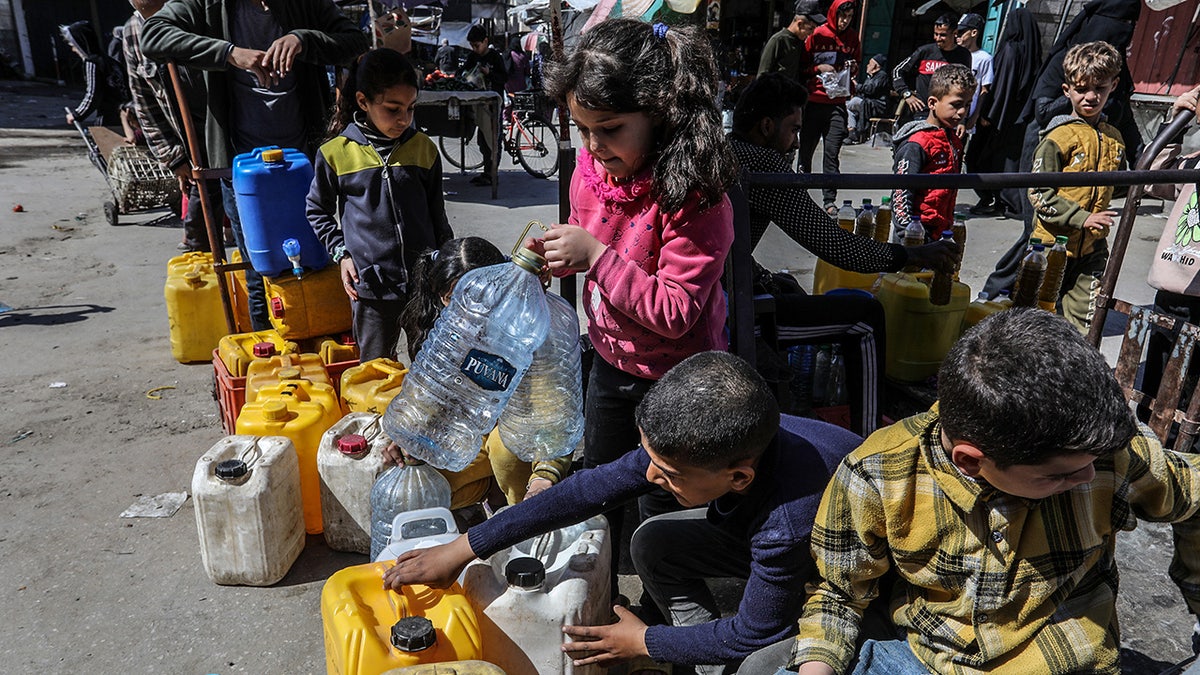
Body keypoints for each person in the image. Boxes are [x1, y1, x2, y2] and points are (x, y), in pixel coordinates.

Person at [381, 351, 863, 674]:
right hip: (771, 541)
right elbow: (583, 492)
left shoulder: (787, 520)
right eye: (647, 458)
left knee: (759, 661)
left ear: (739, 478)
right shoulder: (701, 443)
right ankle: (700, 655)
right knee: (653, 542)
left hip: (846, 580)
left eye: (668, 472)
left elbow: (758, 629)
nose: (651, 478)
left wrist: (642, 642)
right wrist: (464, 547)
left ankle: (709, 658)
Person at [779, 308, 1200, 674]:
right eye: (1059, 476)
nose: (1089, 477)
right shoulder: (877, 474)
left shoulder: (1113, 455)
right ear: (970, 461)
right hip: (925, 661)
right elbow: (837, 594)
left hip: (1065, 662)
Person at [529, 18, 739, 604]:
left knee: (659, 505)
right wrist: (560, 255)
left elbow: (675, 310)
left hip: (679, 381)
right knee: (601, 486)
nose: (593, 147)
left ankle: (662, 618)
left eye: (611, 129)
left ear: (661, 113)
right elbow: (588, 240)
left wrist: (594, 255)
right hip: (610, 363)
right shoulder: (591, 173)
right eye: (581, 129)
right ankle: (601, 597)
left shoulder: (696, 196)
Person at [728, 72, 957, 435]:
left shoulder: (729, 150)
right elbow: (838, 247)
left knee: (786, 285)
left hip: (726, 293)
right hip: (727, 310)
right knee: (864, 317)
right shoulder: (760, 163)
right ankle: (868, 438)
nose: (796, 142)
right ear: (767, 126)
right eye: (793, 129)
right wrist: (915, 255)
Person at [141, 0, 368, 331]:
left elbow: (355, 40)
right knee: (259, 269)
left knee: (318, 260)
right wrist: (228, 53)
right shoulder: (205, 5)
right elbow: (153, 35)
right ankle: (267, 360)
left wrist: (304, 40)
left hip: (303, 162)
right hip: (241, 165)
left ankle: (316, 347)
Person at [389, 236, 575, 509]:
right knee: (419, 488)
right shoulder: (444, 331)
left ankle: (517, 515)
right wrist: (409, 437)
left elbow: (552, 416)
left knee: (506, 451)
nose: (476, 308)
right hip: (467, 441)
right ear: (443, 299)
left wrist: (544, 477)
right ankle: (485, 493)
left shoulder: (530, 330)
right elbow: (429, 395)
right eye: (460, 298)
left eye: (484, 296)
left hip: (515, 445)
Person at [981, 0, 1141, 299]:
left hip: (1093, 156)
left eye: (1129, 29)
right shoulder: (1068, 60)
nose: (1122, 33)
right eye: (1117, 25)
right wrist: (1080, 98)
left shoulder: (1112, 70)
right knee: (1039, 232)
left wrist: (1143, 155)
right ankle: (996, 293)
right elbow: (1041, 110)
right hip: (1047, 150)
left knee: (1078, 241)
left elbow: (1128, 121)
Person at [306, 49, 452, 363]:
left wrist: (448, 268)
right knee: (375, 372)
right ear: (363, 101)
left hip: (423, 284)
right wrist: (341, 254)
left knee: (433, 367)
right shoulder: (335, 153)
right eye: (393, 108)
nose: (404, 119)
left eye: (411, 108)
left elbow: (438, 215)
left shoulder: (424, 149)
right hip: (370, 287)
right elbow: (316, 210)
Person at [1027, 41, 1126, 334]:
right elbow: (1038, 193)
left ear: (1114, 85)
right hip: (1049, 247)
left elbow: (1120, 185)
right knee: (1035, 321)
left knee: (1085, 324)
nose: (1091, 96)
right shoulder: (1058, 137)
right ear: (1066, 89)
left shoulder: (1114, 138)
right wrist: (1082, 218)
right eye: (1082, 89)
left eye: (1100, 88)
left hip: (1092, 249)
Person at [121, 0, 220, 253]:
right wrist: (174, 157)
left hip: (227, 130)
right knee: (200, 227)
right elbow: (144, 101)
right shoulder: (133, 30)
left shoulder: (200, 12)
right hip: (191, 145)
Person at [968, 8, 1041, 218]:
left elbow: (1003, 88)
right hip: (1017, 119)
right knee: (1007, 162)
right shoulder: (1031, 52)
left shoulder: (1010, 50)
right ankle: (1005, 201)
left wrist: (988, 115)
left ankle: (990, 199)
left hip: (999, 117)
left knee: (981, 157)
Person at [891, 64, 976, 241]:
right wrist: (908, 236)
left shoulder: (953, 139)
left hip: (942, 230)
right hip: (917, 233)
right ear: (932, 103)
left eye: (967, 105)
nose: (962, 112)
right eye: (956, 104)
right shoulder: (916, 143)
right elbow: (901, 194)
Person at [798, 0, 860, 213]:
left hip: (837, 104)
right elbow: (801, 66)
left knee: (832, 153)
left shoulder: (852, 38)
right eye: (842, 16)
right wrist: (818, 67)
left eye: (849, 17)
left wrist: (853, 70)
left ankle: (829, 200)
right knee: (806, 151)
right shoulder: (817, 35)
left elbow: (857, 66)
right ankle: (799, 195)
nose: (845, 21)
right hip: (814, 102)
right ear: (833, 13)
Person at [891, 14, 971, 128]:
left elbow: (965, 88)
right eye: (936, 34)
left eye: (942, 35)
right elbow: (898, 71)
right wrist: (906, 94)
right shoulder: (924, 51)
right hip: (922, 114)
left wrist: (962, 121)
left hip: (950, 116)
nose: (938, 38)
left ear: (954, 33)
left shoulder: (963, 55)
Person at [955, 13, 995, 216]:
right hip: (951, 115)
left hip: (967, 118)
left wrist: (974, 116)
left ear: (974, 33)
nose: (958, 36)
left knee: (962, 158)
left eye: (962, 32)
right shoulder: (955, 55)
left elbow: (983, 90)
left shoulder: (984, 59)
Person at [462, 24, 507, 187]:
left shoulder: (495, 57)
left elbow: (503, 78)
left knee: (494, 139)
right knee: (482, 139)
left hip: (493, 105)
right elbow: (463, 73)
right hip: (478, 106)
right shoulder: (472, 57)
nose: (474, 49)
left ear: (486, 41)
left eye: (477, 45)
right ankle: (487, 171)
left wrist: (490, 74)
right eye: (472, 46)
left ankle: (492, 173)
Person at [61, 21, 127, 127]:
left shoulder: (92, 62)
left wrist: (77, 114)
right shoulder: (109, 61)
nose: (73, 49)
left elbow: (93, 93)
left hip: (108, 117)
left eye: (73, 45)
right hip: (124, 113)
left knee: (106, 142)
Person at [757, 0, 825, 78]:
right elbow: (762, 75)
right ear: (800, 24)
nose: (812, 33)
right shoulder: (778, 40)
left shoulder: (800, 43)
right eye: (810, 29)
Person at [845, 54, 888, 144]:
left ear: (876, 66)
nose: (867, 65)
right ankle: (852, 132)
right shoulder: (870, 77)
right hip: (867, 103)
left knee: (853, 102)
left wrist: (856, 85)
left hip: (877, 105)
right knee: (849, 110)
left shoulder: (882, 76)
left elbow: (870, 89)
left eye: (870, 63)